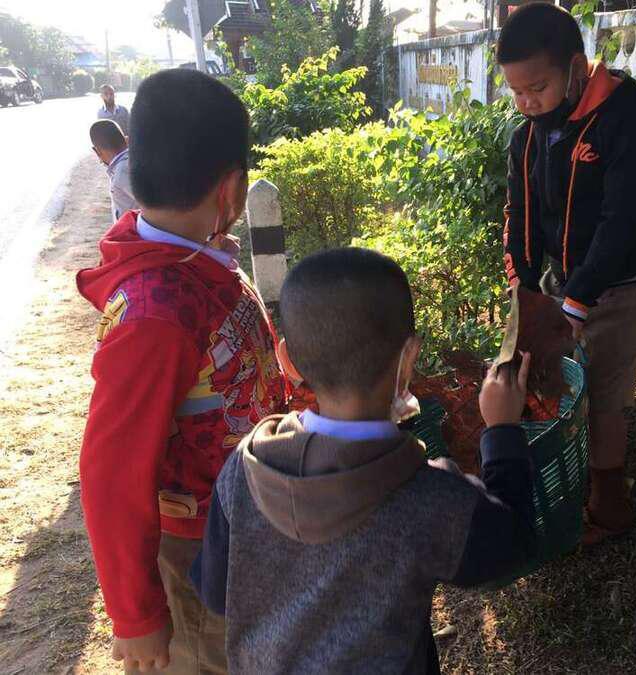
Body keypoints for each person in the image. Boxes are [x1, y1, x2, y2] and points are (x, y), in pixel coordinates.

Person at [190, 247, 538, 674]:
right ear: (409, 358)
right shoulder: (432, 499)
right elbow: (513, 545)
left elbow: (216, 593)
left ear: (287, 360)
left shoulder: (242, 471)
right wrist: (502, 429)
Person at [76, 68, 285, 673]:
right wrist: (136, 616)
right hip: (195, 553)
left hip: (238, 524)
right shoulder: (154, 315)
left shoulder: (194, 255)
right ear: (232, 189)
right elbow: (111, 472)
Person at [497, 3, 636, 545]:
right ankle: (566, 470)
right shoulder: (529, 135)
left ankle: (609, 505)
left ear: (576, 68)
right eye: (516, 92)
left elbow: (622, 223)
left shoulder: (627, 124)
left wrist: (576, 302)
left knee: (602, 386)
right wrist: (524, 285)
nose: (527, 102)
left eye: (538, 88)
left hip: (628, 278)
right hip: (572, 272)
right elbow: (520, 213)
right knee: (548, 367)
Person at [89, 119, 138, 222]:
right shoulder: (134, 159)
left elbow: (154, 206)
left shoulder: (122, 172)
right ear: (126, 140)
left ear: (97, 151)